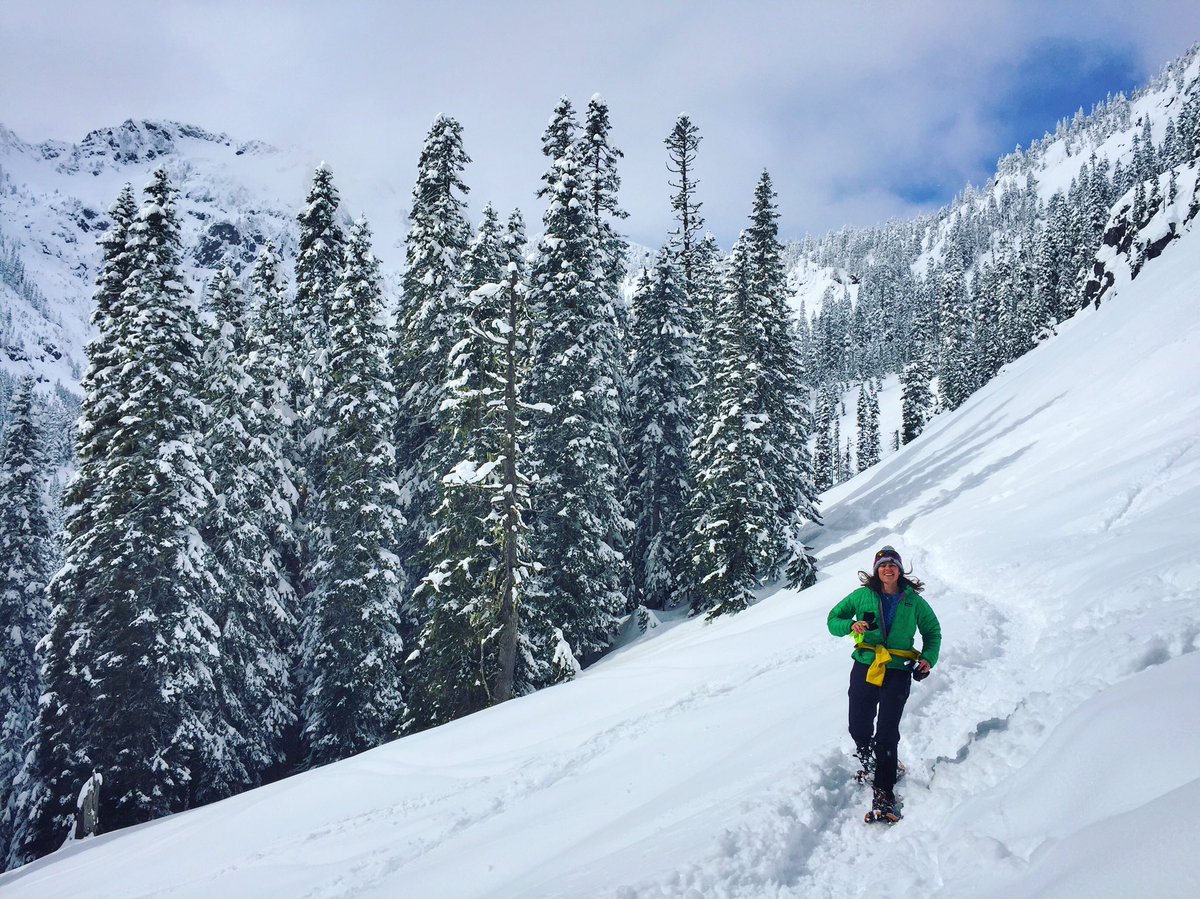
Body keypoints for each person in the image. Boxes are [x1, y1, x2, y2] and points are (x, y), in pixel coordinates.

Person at [826, 545, 941, 823]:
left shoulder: (914, 602)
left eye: (893, 564)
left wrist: (927, 658)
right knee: (858, 725)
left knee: (887, 731)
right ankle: (869, 761)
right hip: (866, 665)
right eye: (883, 565)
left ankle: (884, 791)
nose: (888, 569)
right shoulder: (862, 596)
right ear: (876, 571)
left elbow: (932, 632)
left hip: (898, 669)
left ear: (900, 570)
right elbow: (833, 620)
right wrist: (850, 626)